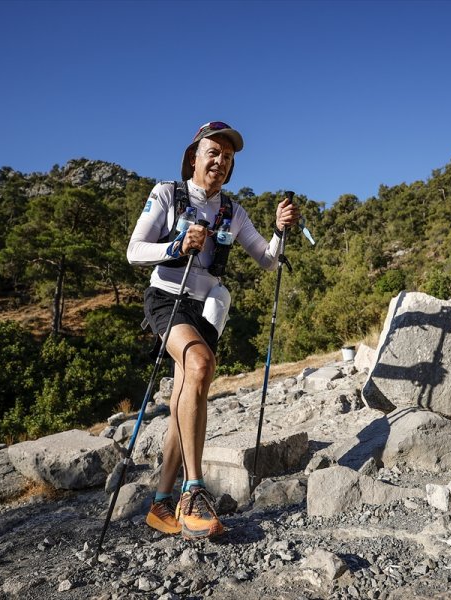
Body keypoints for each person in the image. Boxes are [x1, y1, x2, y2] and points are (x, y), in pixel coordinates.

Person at [126, 121, 299, 539]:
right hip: (167, 298)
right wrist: (175, 246)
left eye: (228, 157)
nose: (221, 161)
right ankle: (194, 490)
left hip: (206, 306)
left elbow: (268, 260)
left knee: (189, 392)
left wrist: (279, 231)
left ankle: (161, 503)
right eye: (213, 153)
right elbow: (134, 251)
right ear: (194, 157)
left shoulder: (232, 211)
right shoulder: (167, 193)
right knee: (200, 364)